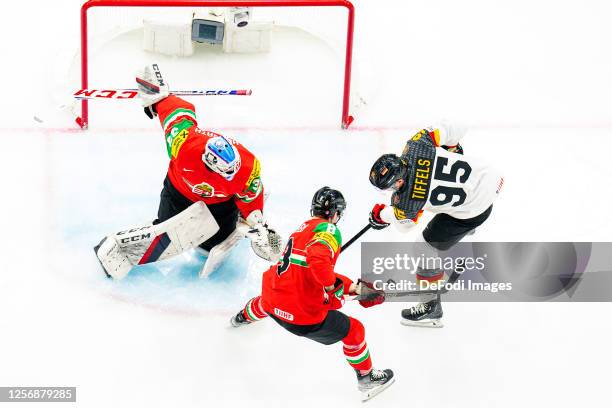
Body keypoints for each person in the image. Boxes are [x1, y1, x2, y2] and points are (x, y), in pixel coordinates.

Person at [110, 64, 280, 278]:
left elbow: (252, 195)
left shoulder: (246, 168)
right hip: (178, 193)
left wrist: (255, 220)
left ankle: (215, 235)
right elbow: (176, 112)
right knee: (164, 228)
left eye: (232, 171)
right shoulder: (184, 145)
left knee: (211, 245)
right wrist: (156, 97)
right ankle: (162, 224)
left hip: (221, 205)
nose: (231, 175)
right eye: (225, 172)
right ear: (208, 162)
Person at [230, 187, 393, 401]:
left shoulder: (302, 229)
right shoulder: (329, 230)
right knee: (355, 330)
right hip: (301, 317)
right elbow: (320, 267)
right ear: (336, 213)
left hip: (272, 301)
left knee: (269, 299)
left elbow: (309, 270)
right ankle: (367, 377)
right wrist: (335, 290)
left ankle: (242, 317)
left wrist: (353, 288)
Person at [368, 124, 504, 327]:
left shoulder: (408, 200)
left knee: (423, 248)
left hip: (475, 211)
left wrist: (382, 215)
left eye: (389, 188)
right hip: (490, 176)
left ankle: (431, 306)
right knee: (443, 198)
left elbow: (404, 224)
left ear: (396, 183)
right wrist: (453, 149)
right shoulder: (416, 144)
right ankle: (462, 225)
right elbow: (455, 126)